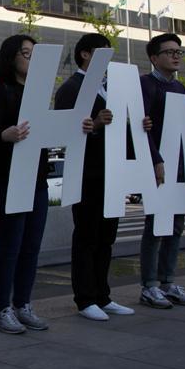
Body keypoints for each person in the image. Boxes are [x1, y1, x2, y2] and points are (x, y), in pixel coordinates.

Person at [54, 33, 139, 321]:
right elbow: (64, 133)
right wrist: (96, 126)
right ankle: (85, 298)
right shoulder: (71, 88)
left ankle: (103, 296)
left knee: (107, 237)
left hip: (111, 172)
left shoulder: (109, 88)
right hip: (87, 173)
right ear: (85, 55)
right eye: (102, 51)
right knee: (87, 235)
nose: (108, 57)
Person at [0, 35, 50, 333]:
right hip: (5, 178)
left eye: (35, 54)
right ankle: (2, 310)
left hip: (37, 178)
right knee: (10, 246)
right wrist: (3, 135)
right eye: (25, 53)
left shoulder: (39, 93)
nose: (31, 59)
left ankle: (23, 304)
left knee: (32, 247)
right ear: (11, 57)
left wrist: (82, 126)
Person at [138, 33, 185, 309]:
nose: (176, 56)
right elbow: (142, 128)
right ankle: (149, 285)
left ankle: (168, 281)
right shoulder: (145, 85)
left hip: (181, 167)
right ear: (154, 58)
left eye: (179, 51)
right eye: (169, 52)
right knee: (156, 226)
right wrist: (154, 159)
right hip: (159, 166)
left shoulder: (180, 89)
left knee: (176, 226)